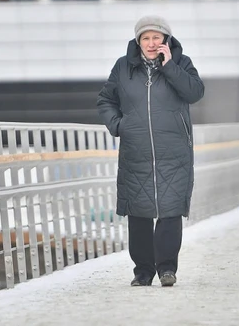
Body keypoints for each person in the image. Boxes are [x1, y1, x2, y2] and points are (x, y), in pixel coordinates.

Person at [96, 15, 205, 288]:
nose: (151, 43)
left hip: (174, 151)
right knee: (139, 213)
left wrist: (170, 67)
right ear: (138, 41)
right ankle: (143, 272)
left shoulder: (181, 63)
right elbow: (106, 100)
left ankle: (167, 269)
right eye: (146, 38)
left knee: (170, 211)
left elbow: (195, 93)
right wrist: (119, 125)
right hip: (136, 151)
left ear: (166, 40)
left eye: (157, 37)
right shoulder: (123, 67)